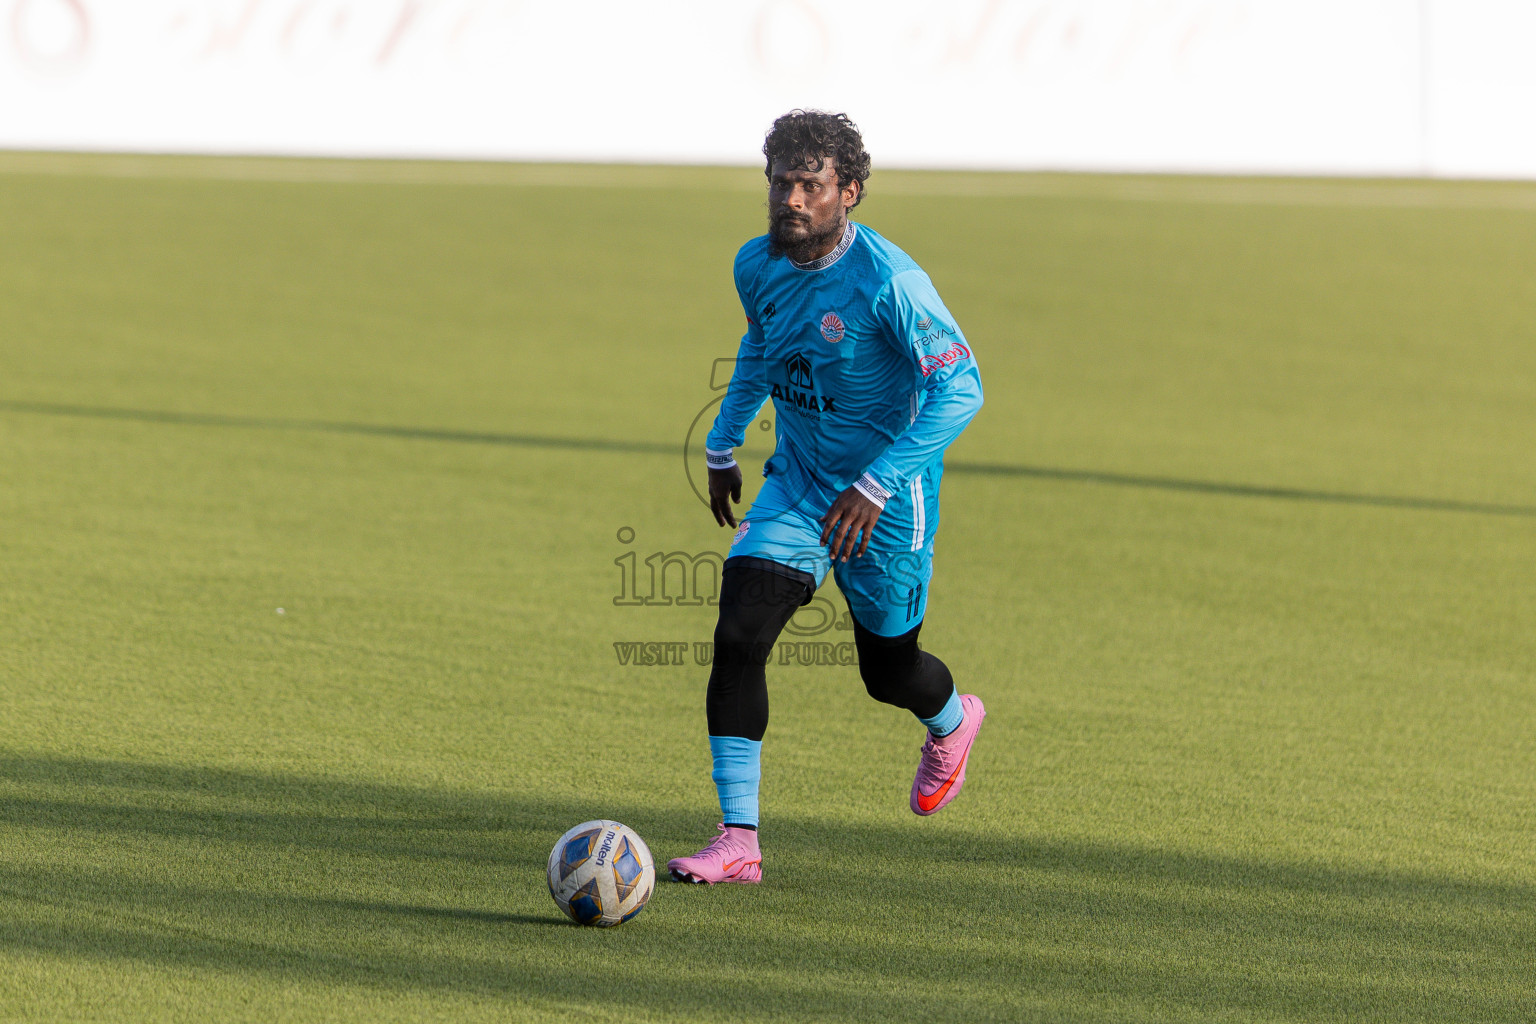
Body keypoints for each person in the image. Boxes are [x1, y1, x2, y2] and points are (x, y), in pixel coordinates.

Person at [667, 110, 986, 885]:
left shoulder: (890, 283)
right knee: (740, 630)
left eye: (811, 185)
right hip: (801, 486)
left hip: (888, 500)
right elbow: (760, 344)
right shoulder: (757, 264)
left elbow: (962, 389)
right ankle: (738, 841)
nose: (792, 200)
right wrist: (722, 442)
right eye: (781, 182)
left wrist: (876, 485)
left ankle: (951, 720)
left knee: (888, 673)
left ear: (849, 192)